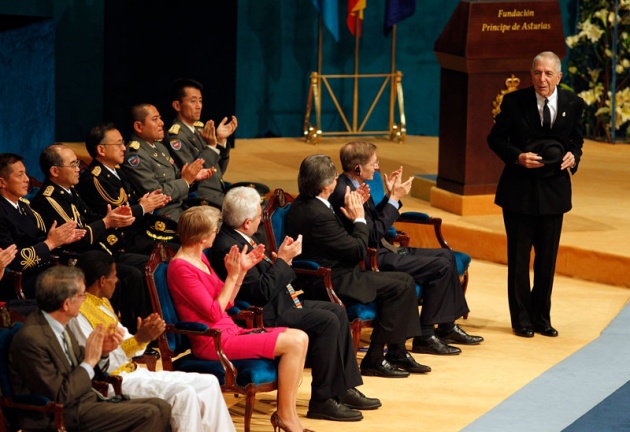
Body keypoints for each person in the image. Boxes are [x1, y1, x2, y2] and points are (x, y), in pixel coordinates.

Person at [211, 186, 381, 422]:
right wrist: (283, 260)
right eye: (259, 215)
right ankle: (322, 401)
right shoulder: (230, 247)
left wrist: (280, 260)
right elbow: (260, 293)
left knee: (336, 311)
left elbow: (268, 278)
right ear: (247, 222)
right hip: (265, 314)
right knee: (327, 320)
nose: (262, 219)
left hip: (282, 302)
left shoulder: (249, 236)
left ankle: (343, 388)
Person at [330, 142, 483, 355]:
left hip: (386, 249)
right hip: (375, 256)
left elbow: (373, 222)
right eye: (374, 163)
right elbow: (372, 234)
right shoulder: (344, 192)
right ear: (358, 168)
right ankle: (426, 336)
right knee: (440, 265)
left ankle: (447, 326)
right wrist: (394, 199)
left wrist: (389, 196)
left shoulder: (355, 184)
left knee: (446, 255)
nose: (377, 167)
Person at [167, 206, 312, 432]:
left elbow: (229, 302)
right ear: (203, 237)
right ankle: (286, 417)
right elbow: (214, 312)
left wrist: (241, 271)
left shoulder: (200, 259)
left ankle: (287, 414)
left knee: (300, 337)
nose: (217, 233)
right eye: (214, 230)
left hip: (229, 330)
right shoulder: (180, 268)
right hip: (212, 341)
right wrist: (233, 275)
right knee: (294, 343)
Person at [285, 154, 428, 378]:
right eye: (334, 179)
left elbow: (341, 240)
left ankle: (396, 351)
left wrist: (357, 211)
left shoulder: (308, 204)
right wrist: (359, 218)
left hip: (340, 270)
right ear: (325, 185)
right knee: (402, 284)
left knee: (402, 280)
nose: (337, 182)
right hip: (333, 279)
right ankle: (375, 358)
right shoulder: (317, 214)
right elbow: (358, 250)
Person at [69, 251, 235, 432]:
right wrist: (139, 340)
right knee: (184, 394)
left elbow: (130, 346)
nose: (117, 281)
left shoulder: (102, 303)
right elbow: (99, 365)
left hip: (132, 371)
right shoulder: (78, 314)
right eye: (114, 276)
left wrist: (142, 337)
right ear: (102, 281)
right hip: (112, 381)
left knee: (209, 383)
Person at [487, 51, 585, 338]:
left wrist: (573, 157)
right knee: (518, 260)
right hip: (520, 191)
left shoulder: (573, 104)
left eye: (547, 74)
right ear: (531, 75)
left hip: (554, 192)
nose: (542, 79)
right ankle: (521, 320)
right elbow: (494, 139)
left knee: (546, 260)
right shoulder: (514, 102)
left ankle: (542, 317)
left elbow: (576, 141)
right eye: (537, 73)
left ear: (558, 77)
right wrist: (517, 157)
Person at [8, 266, 171, 432]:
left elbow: (83, 361)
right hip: (60, 414)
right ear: (66, 304)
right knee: (149, 413)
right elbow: (59, 396)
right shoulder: (31, 339)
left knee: (162, 407)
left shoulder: (58, 324)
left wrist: (103, 352)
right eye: (82, 295)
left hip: (85, 402)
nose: (85, 300)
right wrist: (89, 361)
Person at [30, 144, 150, 333]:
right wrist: (107, 223)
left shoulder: (71, 191)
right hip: (75, 257)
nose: (79, 168)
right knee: (130, 275)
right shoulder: (48, 200)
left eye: (77, 163)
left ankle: (145, 332)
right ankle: (130, 333)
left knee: (148, 264)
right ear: (55, 171)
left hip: (97, 251)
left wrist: (113, 219)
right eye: (73, 164)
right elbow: (76, 236)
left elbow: (91, 217)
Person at [76, 123, 172, 255]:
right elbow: (117, 216)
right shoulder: (93, 180)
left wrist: (151, 201)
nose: (124, 148)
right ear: (101, 150)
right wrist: (143, 207)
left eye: (123, 143)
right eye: (118, 144)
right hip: (123, 239)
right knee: (176, 249)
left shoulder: (118, 171)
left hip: (138, 230)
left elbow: (129, 200)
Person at [0, 153, 85, 298]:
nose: (27, 180)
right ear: (2, 182)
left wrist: (60, 240)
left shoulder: (23, 205)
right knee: (72, 283)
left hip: (41, 269)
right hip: (19, 278)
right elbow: (14, 260)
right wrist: (51, 243)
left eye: (26, 173)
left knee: (90, 269)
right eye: (20, 175)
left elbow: (38, 239)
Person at [121, 103, 212, 221]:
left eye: (160, 118)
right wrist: (185, 181)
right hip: (162, 216)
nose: (161, 123)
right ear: (138, 126)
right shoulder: (134, 156)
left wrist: (192, 176)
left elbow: (174, 177)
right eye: (155, 119)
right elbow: (156, 194)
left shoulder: (160, 147)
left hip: (181, 206)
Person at [167, 78, 237, 209]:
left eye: (200, 101)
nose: (198, 106)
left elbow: (218, 170)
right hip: (200, 199)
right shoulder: (176, 138)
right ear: (177, 105)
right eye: (193, 101)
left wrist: (220, 141)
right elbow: (194, 174)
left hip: (217, 192)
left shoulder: (198, 130)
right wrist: (211, 146)